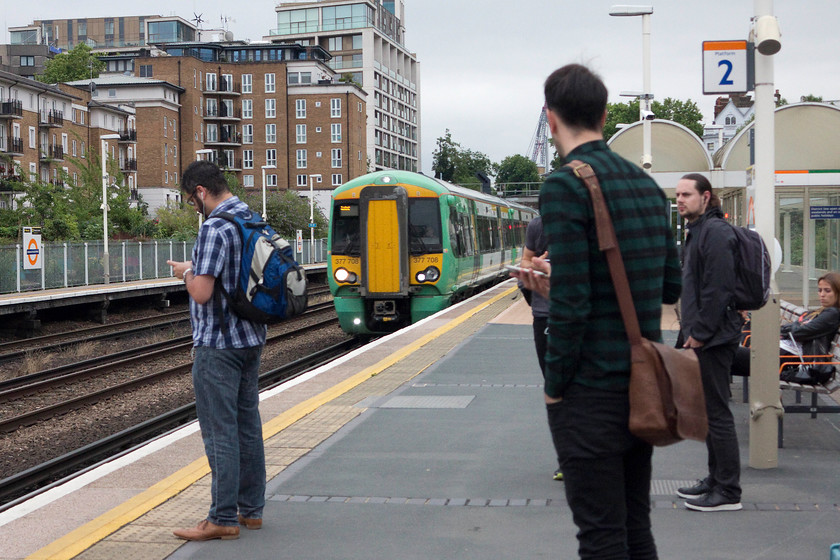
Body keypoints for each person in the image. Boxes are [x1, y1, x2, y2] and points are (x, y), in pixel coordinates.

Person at [515, 63, 681, 560]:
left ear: (550, 118)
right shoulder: (648, 188)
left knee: (600, 535)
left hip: (590, 390)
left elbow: (573, 305)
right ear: (605, 115)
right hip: (643, 384)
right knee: (634, 525)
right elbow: (671, 284)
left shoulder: (564, 186)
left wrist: (555, 387)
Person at [167, 160, 267, 541]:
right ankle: (251, 511)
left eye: (193, 201)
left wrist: (187, 274)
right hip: (251, 339)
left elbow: (202, 292)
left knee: (219, 432)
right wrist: (196, 266)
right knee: (248, 426)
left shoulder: (214, 226)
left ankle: (222, 517)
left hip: (218, 346)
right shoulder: (249, 217)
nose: (196, 208)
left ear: (201, 192)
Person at [674, 173, 744, 512]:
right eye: (678, 195)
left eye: (687, 194)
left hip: (714, 339)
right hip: (704, 337)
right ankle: (716, 480)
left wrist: (699, 334)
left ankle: (728, 491)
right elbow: (694, 290)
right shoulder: (698, 232)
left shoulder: (715, 233)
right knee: (710, 412)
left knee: (717, 413)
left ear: (706, 196)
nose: (680, 200)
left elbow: (718, 290)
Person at [517, 216, 562, 481]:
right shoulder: (538, 226)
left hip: (579, 317)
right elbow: (525, 262)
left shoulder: (590, 220)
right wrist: (531, 274)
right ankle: (568, 457)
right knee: (554, 389)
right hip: (544, 317)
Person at [732, 272, 840, 376]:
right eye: (820, 290)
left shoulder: (832, 313)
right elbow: (795, 329)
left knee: (726, 356)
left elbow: (798, 332)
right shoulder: (818, 312)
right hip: (780, 353)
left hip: (789, 361)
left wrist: (793, 328)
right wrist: (794, 328)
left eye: (827, 291)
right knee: (725, 356)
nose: (822, 295)